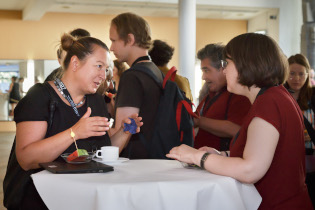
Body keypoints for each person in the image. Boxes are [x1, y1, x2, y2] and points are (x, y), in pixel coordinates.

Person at [167, 33, 313, 209]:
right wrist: (222, 155)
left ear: (247, 65)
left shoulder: (269, 102)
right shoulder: (275, 96)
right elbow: (265, 154)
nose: (224, 70)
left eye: (227, 63)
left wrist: (197, 156)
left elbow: (250, 170)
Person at [3, 33, 143, 209]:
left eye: (106, 69)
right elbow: (26, 159)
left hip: (81, 198)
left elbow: (103, 152)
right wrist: (74, 133)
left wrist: (125, 132)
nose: (104, 75)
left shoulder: (96, 100)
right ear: (75, 63)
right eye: (99, 66)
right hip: (39, 200)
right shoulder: (40, 97)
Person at [109, 12, 163, 159]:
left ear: (130, 39)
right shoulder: (155, 71)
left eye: (114, 41)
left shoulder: (132, 76)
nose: (111, 48)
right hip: (157, 155)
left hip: (136, 160)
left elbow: (122, 134)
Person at [193, 44, 251, 151]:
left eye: (206, 70)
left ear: (223, 68)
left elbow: (237, 129)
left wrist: (198, 121)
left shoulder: (239, 94)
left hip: (222, 162)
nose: (203, 77)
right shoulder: (211, 93)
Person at [284, 54, 315, 150]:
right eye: (292, 73)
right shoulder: (279, 96)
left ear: (307, 75)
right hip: (287, 152)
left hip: (310, 153)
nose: (297, 78)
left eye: (301, 74)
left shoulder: (313, 94)